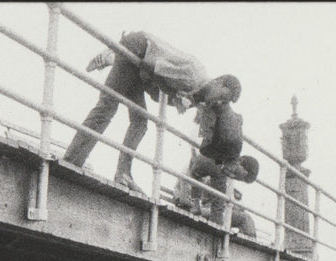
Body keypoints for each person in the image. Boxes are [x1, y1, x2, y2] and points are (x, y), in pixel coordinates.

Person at [62, 30, 241, 192]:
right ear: (219, 82)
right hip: (139, 49)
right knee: (107, 106)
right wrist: (118, 60)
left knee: (140, 121)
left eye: (224, 102)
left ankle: (123, 173)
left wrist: (176, 100)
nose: (219, 102)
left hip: (140, 61)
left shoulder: (198, 96)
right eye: (222, 96)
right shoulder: (194, 76)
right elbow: (151, 67)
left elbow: (156, 92)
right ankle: (72, 159)